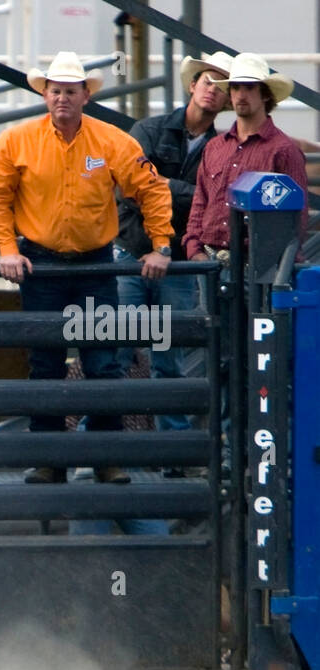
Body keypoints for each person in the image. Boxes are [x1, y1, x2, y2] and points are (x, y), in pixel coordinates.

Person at [0, 51, 173, 485]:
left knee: (102, 362)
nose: (62, 98)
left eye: (70, 91)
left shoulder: (113, 142)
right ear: (45, 95)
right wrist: (8, 248)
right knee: (45, 363)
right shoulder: (16, 141)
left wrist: (161, 244)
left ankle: (105, 457)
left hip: (93, 266)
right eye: (56, 91)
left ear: (85, 95)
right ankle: (51, 459)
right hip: (42, 265)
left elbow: (151, 188)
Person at [114, 52, 232, 474]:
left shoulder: (218, 148)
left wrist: (166, 187)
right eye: (206, 80)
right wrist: (187, 193)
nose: (212, 89)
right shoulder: (150, 129)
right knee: (120, 349)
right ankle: (102, 444)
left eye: (221, 85)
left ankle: (173, 456)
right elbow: (131, 185)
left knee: (167, 356)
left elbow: (212, 201)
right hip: (135, 252)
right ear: (192, 85)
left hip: (175, 261)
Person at [184, 53, 308, 264]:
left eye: (249, 88)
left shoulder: (284, 151)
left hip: (257, 265)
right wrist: (194, 249)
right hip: (209, 260)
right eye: (235, 87)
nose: (241, 95)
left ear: (265, 95)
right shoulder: (214, 147)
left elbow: (297, 219)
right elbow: (200, 202)